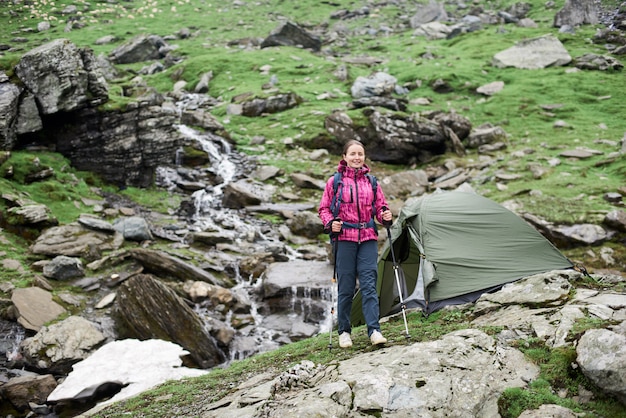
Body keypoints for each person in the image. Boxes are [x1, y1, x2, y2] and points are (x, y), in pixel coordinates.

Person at [318, 140, 392, 348]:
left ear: (364, 157)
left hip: (368, 236)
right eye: (353, 154)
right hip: (344, 239)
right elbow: (324, 209)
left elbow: (380, 208)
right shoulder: (335, 182)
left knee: (369, 284)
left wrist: (385, 216)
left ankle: (374, 331)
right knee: (347, 286)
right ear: (344, 157)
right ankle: (344, 332)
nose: (357, 157)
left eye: (360, 154)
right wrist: (330, 223)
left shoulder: (372, 182)